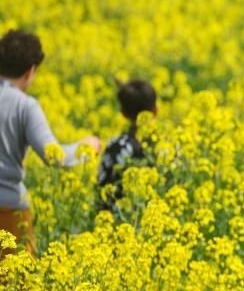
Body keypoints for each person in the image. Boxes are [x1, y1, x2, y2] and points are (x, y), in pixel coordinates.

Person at [0, 30, 101, 256]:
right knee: (15, 285)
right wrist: (87, 146)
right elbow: (54, 156)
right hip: (8, 209)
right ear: (30, 71)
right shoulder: (25, 106)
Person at [97, 79, 157, 212]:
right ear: (155, 110)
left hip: (118, 220)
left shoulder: (116, 147)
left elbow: (102, 186)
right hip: (158, 219)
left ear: (123, 113)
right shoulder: (167, 146)